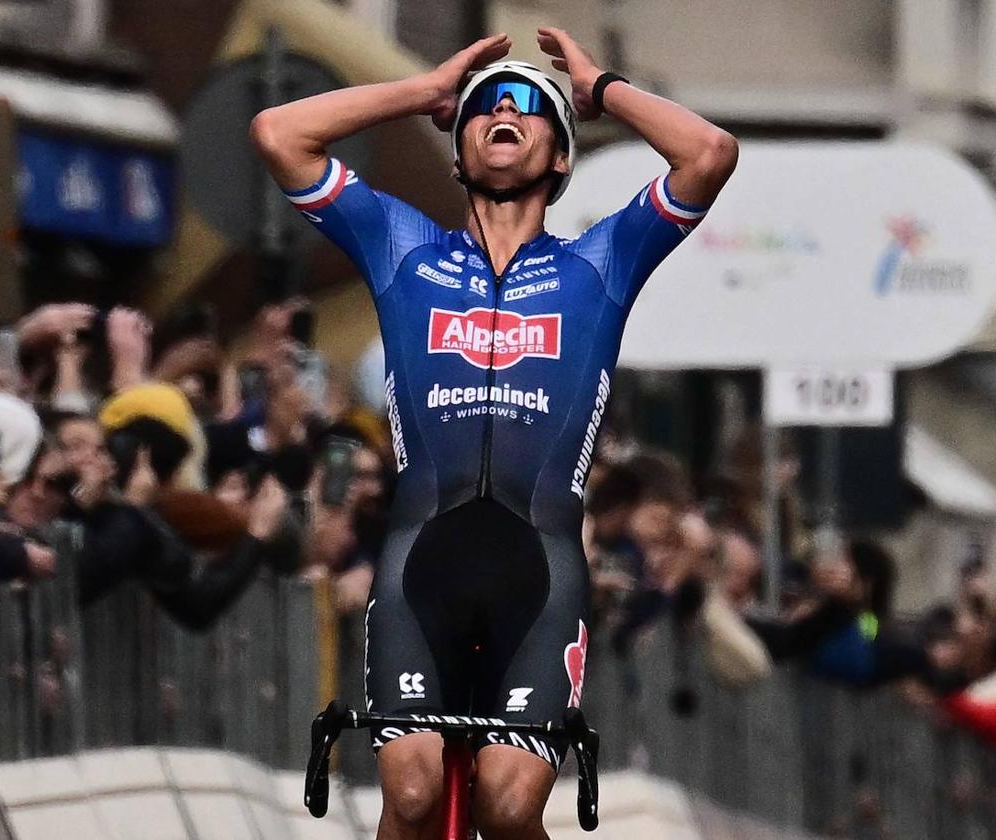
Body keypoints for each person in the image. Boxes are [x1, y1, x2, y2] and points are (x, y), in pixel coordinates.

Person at [253, 27, 736, 840]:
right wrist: (424, 91)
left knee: (508, 808)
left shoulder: (600, 263)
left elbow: (709, 154)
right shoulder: (403, 247)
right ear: (457, 149)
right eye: (482, 110)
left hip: (537, 576)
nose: (501, 112)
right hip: (421, 566)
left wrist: (601, 87)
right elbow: (278, 134)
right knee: (407, 796)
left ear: (560, 160)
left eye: (528, 109)